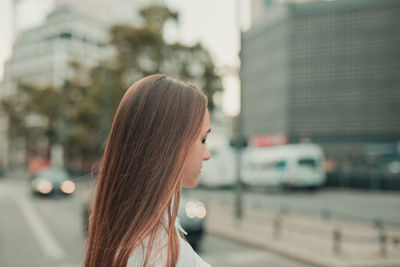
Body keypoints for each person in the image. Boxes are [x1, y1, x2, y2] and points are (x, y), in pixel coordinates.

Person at [84, 74, 212, 267]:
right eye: (203, 140)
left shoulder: (124, 233)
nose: (206, 154)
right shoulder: (164, 255)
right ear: (172, 144)